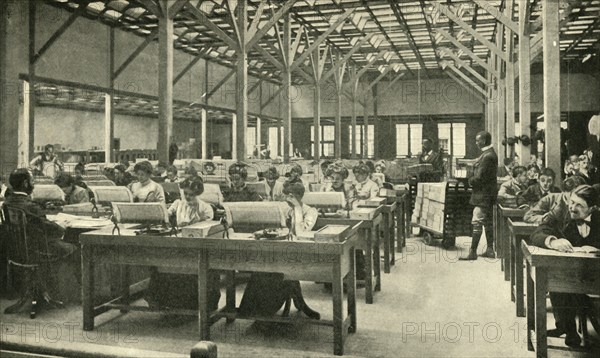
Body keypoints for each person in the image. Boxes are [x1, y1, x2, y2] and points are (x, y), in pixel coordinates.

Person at [530, 185, 600, 348]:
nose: (572, 208)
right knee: (557, 277)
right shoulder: (560, 212)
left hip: (595, 272)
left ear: (593, 208)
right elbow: (537, 234)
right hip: (568, 273)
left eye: (579, 205)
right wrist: (553, 241)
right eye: (571, 202)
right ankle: (568, 329)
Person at [238, 181, 319, 318]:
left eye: (288, 196)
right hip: (280, 250)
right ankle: (253, 311)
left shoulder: (310, 211)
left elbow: (300, 232)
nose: (285, 199)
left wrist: (298, 208)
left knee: (277, 272)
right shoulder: (284, 209)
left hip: (301, 253)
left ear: (296, 196)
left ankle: (266, 310)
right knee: (260, 270)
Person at [148, 176, 219, 311]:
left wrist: (196, 221)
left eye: (191, 195)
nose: (187, 197)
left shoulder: (206, 208)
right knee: (164, 264)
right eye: (185, 193)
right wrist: (165, 217)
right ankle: (167, 304)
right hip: (179, 243)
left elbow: (207, 228)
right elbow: (164, 215)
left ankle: (190, 305)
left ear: (198, 194)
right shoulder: (178, 204)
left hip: (198, 245)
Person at [3, 169, 75, 259]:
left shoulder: (7, 203)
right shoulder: (30, 206)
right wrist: (61, 226)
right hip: (35, 250)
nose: (33, 185)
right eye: (32, 181)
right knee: (74, 248)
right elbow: (48, 228)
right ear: (26, 183)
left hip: (16, 252)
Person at [460, 131, 498, 260]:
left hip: (482, 195)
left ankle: (472, 252)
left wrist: (468, 180)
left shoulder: (487, 156)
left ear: (483, 141)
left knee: (477, 221)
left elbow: (479, 177)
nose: (476, 143)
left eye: (478, 140)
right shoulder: (488, 154)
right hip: (487, 195)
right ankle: (490, 250)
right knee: (487, 222)